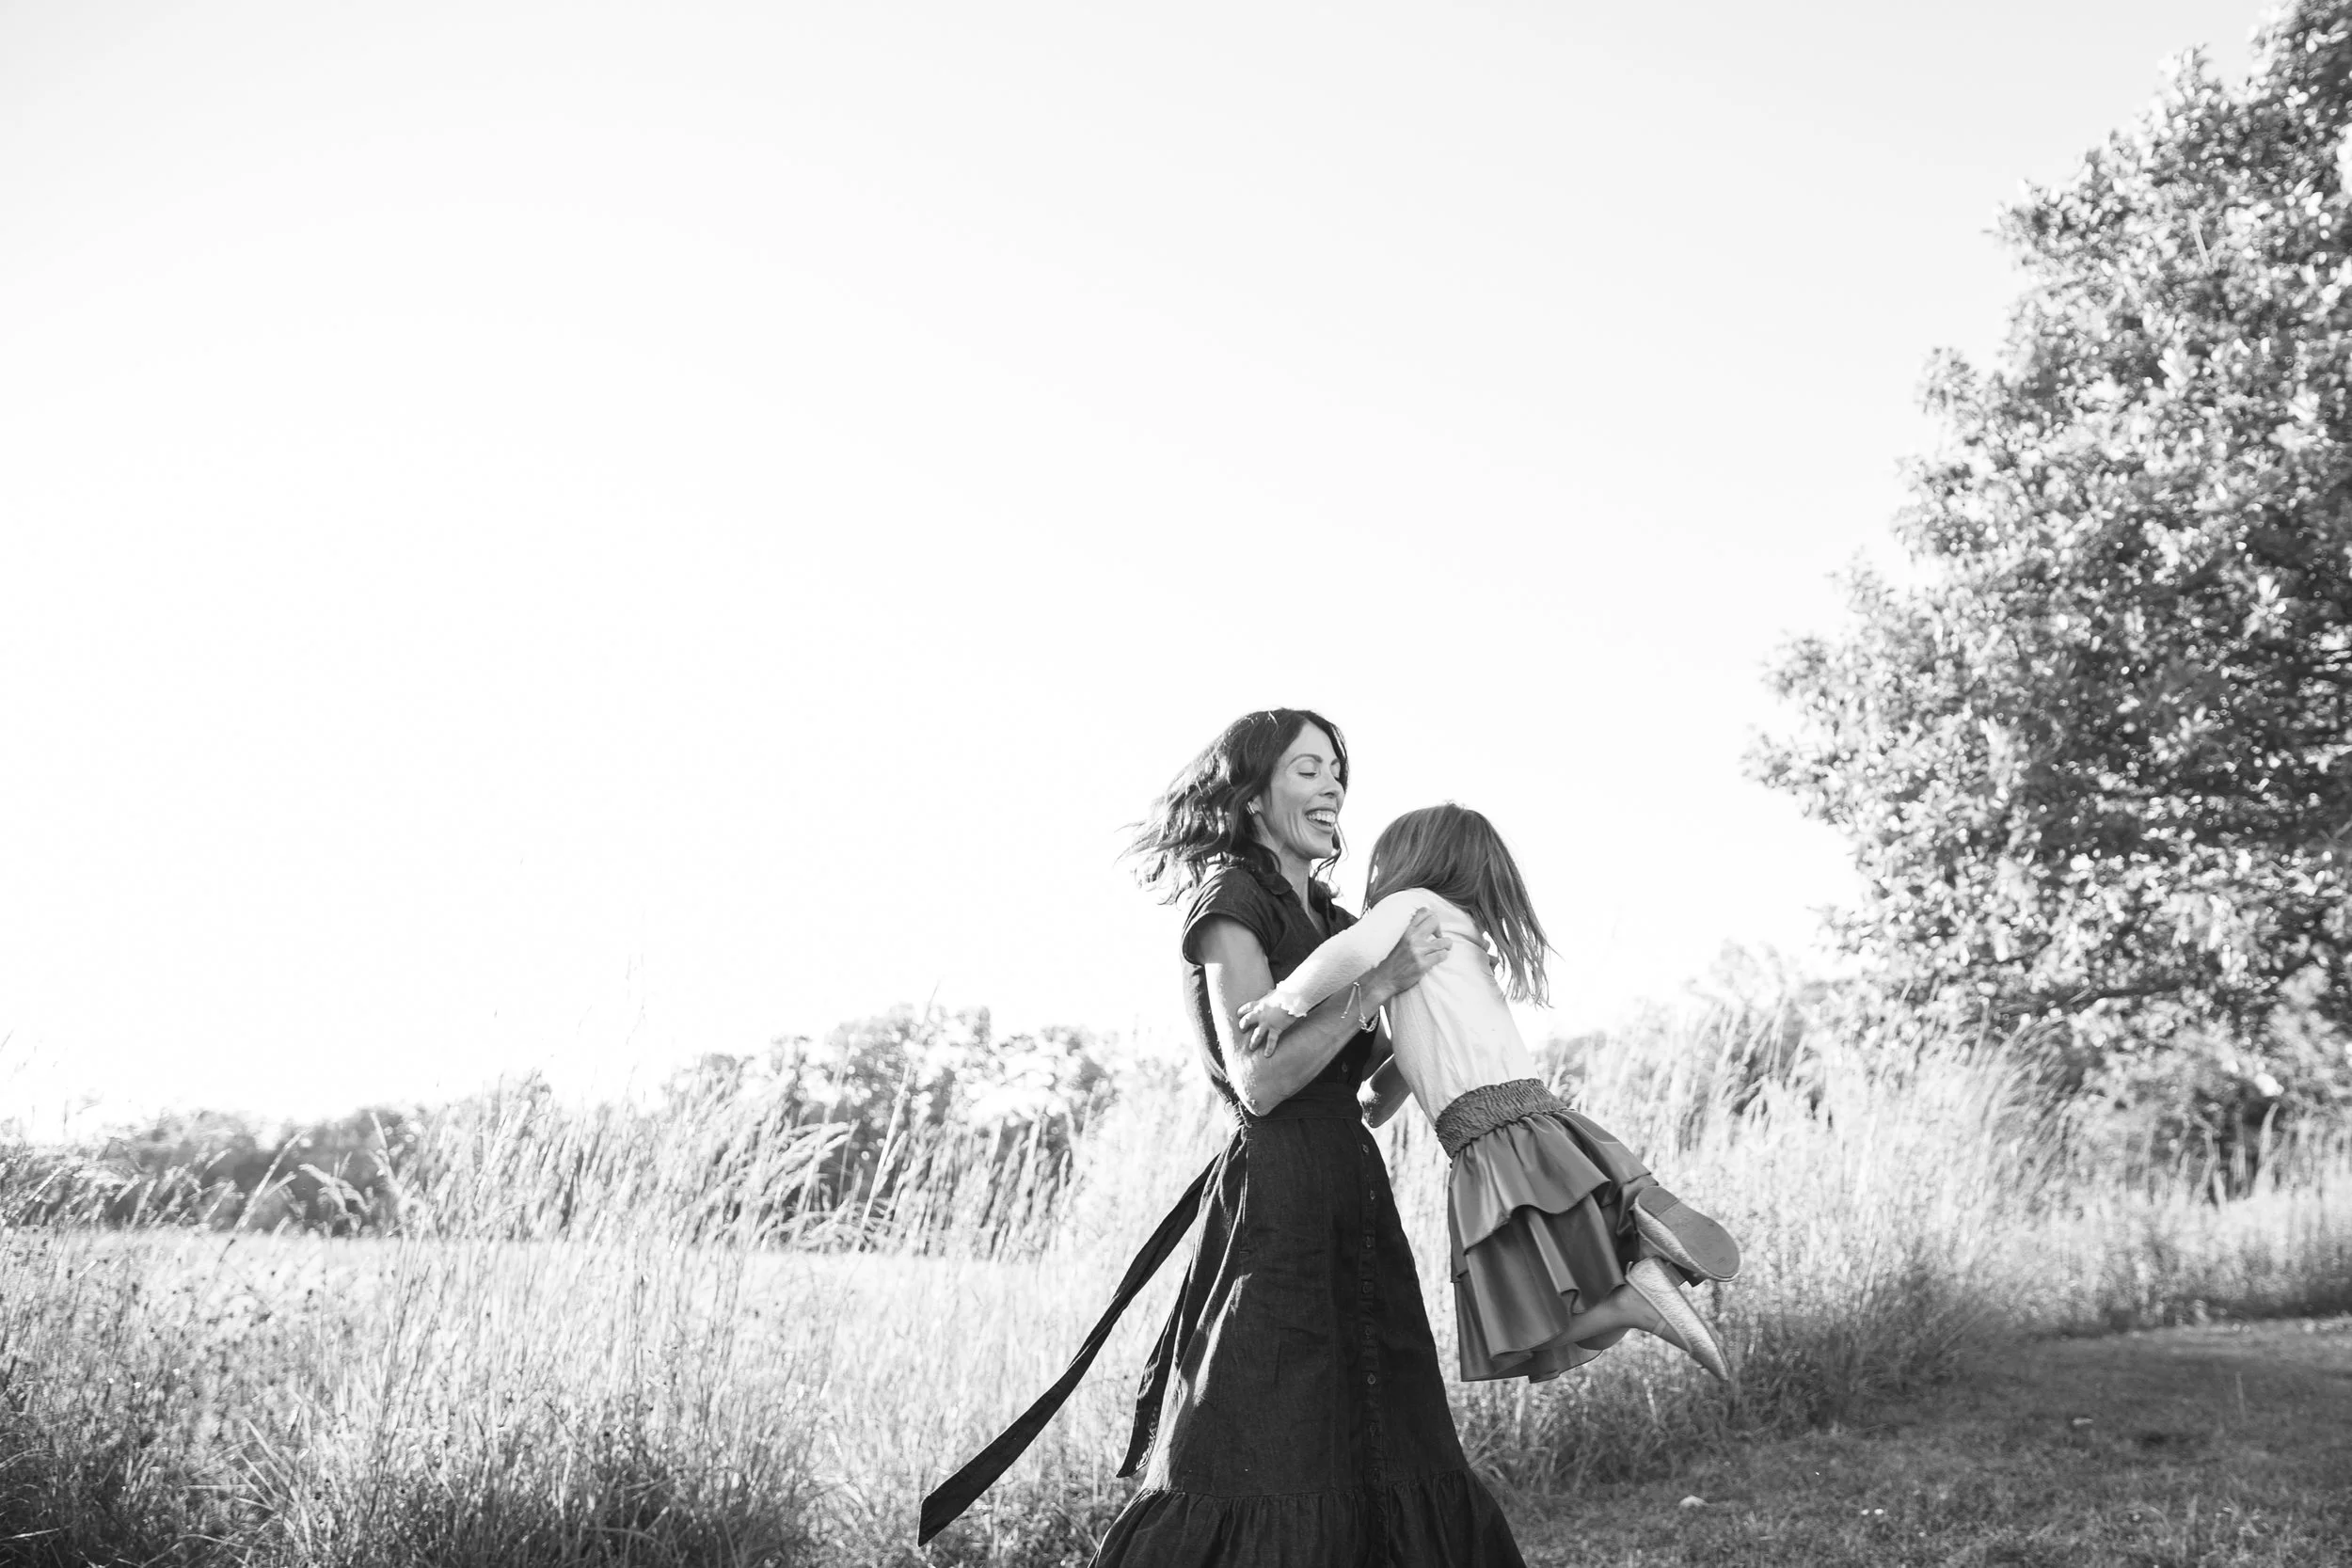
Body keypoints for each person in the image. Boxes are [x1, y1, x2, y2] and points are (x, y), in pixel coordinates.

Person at [918, 708, 1528, 1566]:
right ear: (1252, 798)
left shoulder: (1337, 921)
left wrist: (1447, 996)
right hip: (1277, 1201)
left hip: (1354, 1193)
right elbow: (1261, 1080)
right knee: (1258, 1445)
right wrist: (1379, 983)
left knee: (1394, 1441)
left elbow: (1369, 1094)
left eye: (1337, 770)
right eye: (1308, 769)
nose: (1332, 786)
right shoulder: (1231, 901)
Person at [1237, 802, 1740, 1385]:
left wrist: (1283, 1003)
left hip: (1488, 1140)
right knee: (1555, 1308)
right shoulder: (1459, 941)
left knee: (1517, 1322)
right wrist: (1373, 1083)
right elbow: (1391, 1087)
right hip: (1542, 1121)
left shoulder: (1410, 906)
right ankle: (1636, 1232)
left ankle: (1636, 1281)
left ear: (1411, 862)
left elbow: (1347, 951)